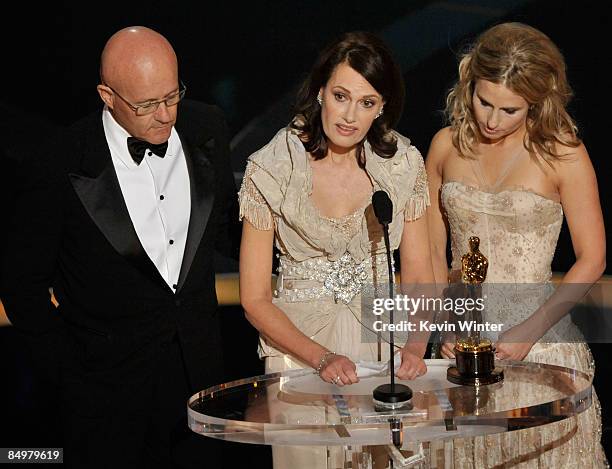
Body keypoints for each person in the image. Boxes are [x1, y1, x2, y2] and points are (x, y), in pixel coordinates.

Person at [0, 26, 239, 468]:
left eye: (173, 95)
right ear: (107, 96)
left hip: (201, 386)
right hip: (104, 399)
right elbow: (22, 286)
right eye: (147, 104)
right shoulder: (57, 163)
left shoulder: (207, 126)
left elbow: (226, 228)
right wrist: (72, 376)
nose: (166, 115)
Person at [238, 31, 434, 467]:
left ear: (382, 106)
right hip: (300, 354)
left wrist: (416, 346)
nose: (350, 116)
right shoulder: (271, 167)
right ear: (320, 91)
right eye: (341, 96)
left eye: (367, 103)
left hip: (385, 350)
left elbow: (420, 274)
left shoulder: (402, 164)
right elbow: (253, 299)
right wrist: (320, 358)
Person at [425, 22, 607, 466]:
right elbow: (430, 251)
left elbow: (593, 258)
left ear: (537, 102)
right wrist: (445, 323)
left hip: (539, 343)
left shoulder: (562, 153)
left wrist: (530, 330)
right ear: (469, 82)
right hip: (459, 346)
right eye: (484, 101)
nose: (491, 119)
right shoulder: (444, 146)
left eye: (509, 110)